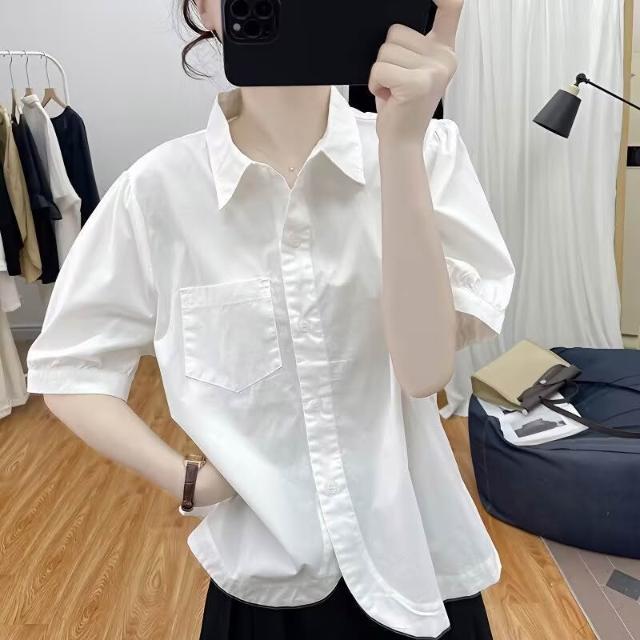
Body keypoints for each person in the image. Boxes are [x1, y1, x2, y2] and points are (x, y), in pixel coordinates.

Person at [26, 0, 516, 638]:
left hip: (418, 566)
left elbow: (425, 372)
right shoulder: (158, 193)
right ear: (204, 10)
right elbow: (68, 367)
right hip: (265, 588)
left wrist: (400, 143)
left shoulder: (429, 154)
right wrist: (186, 481)